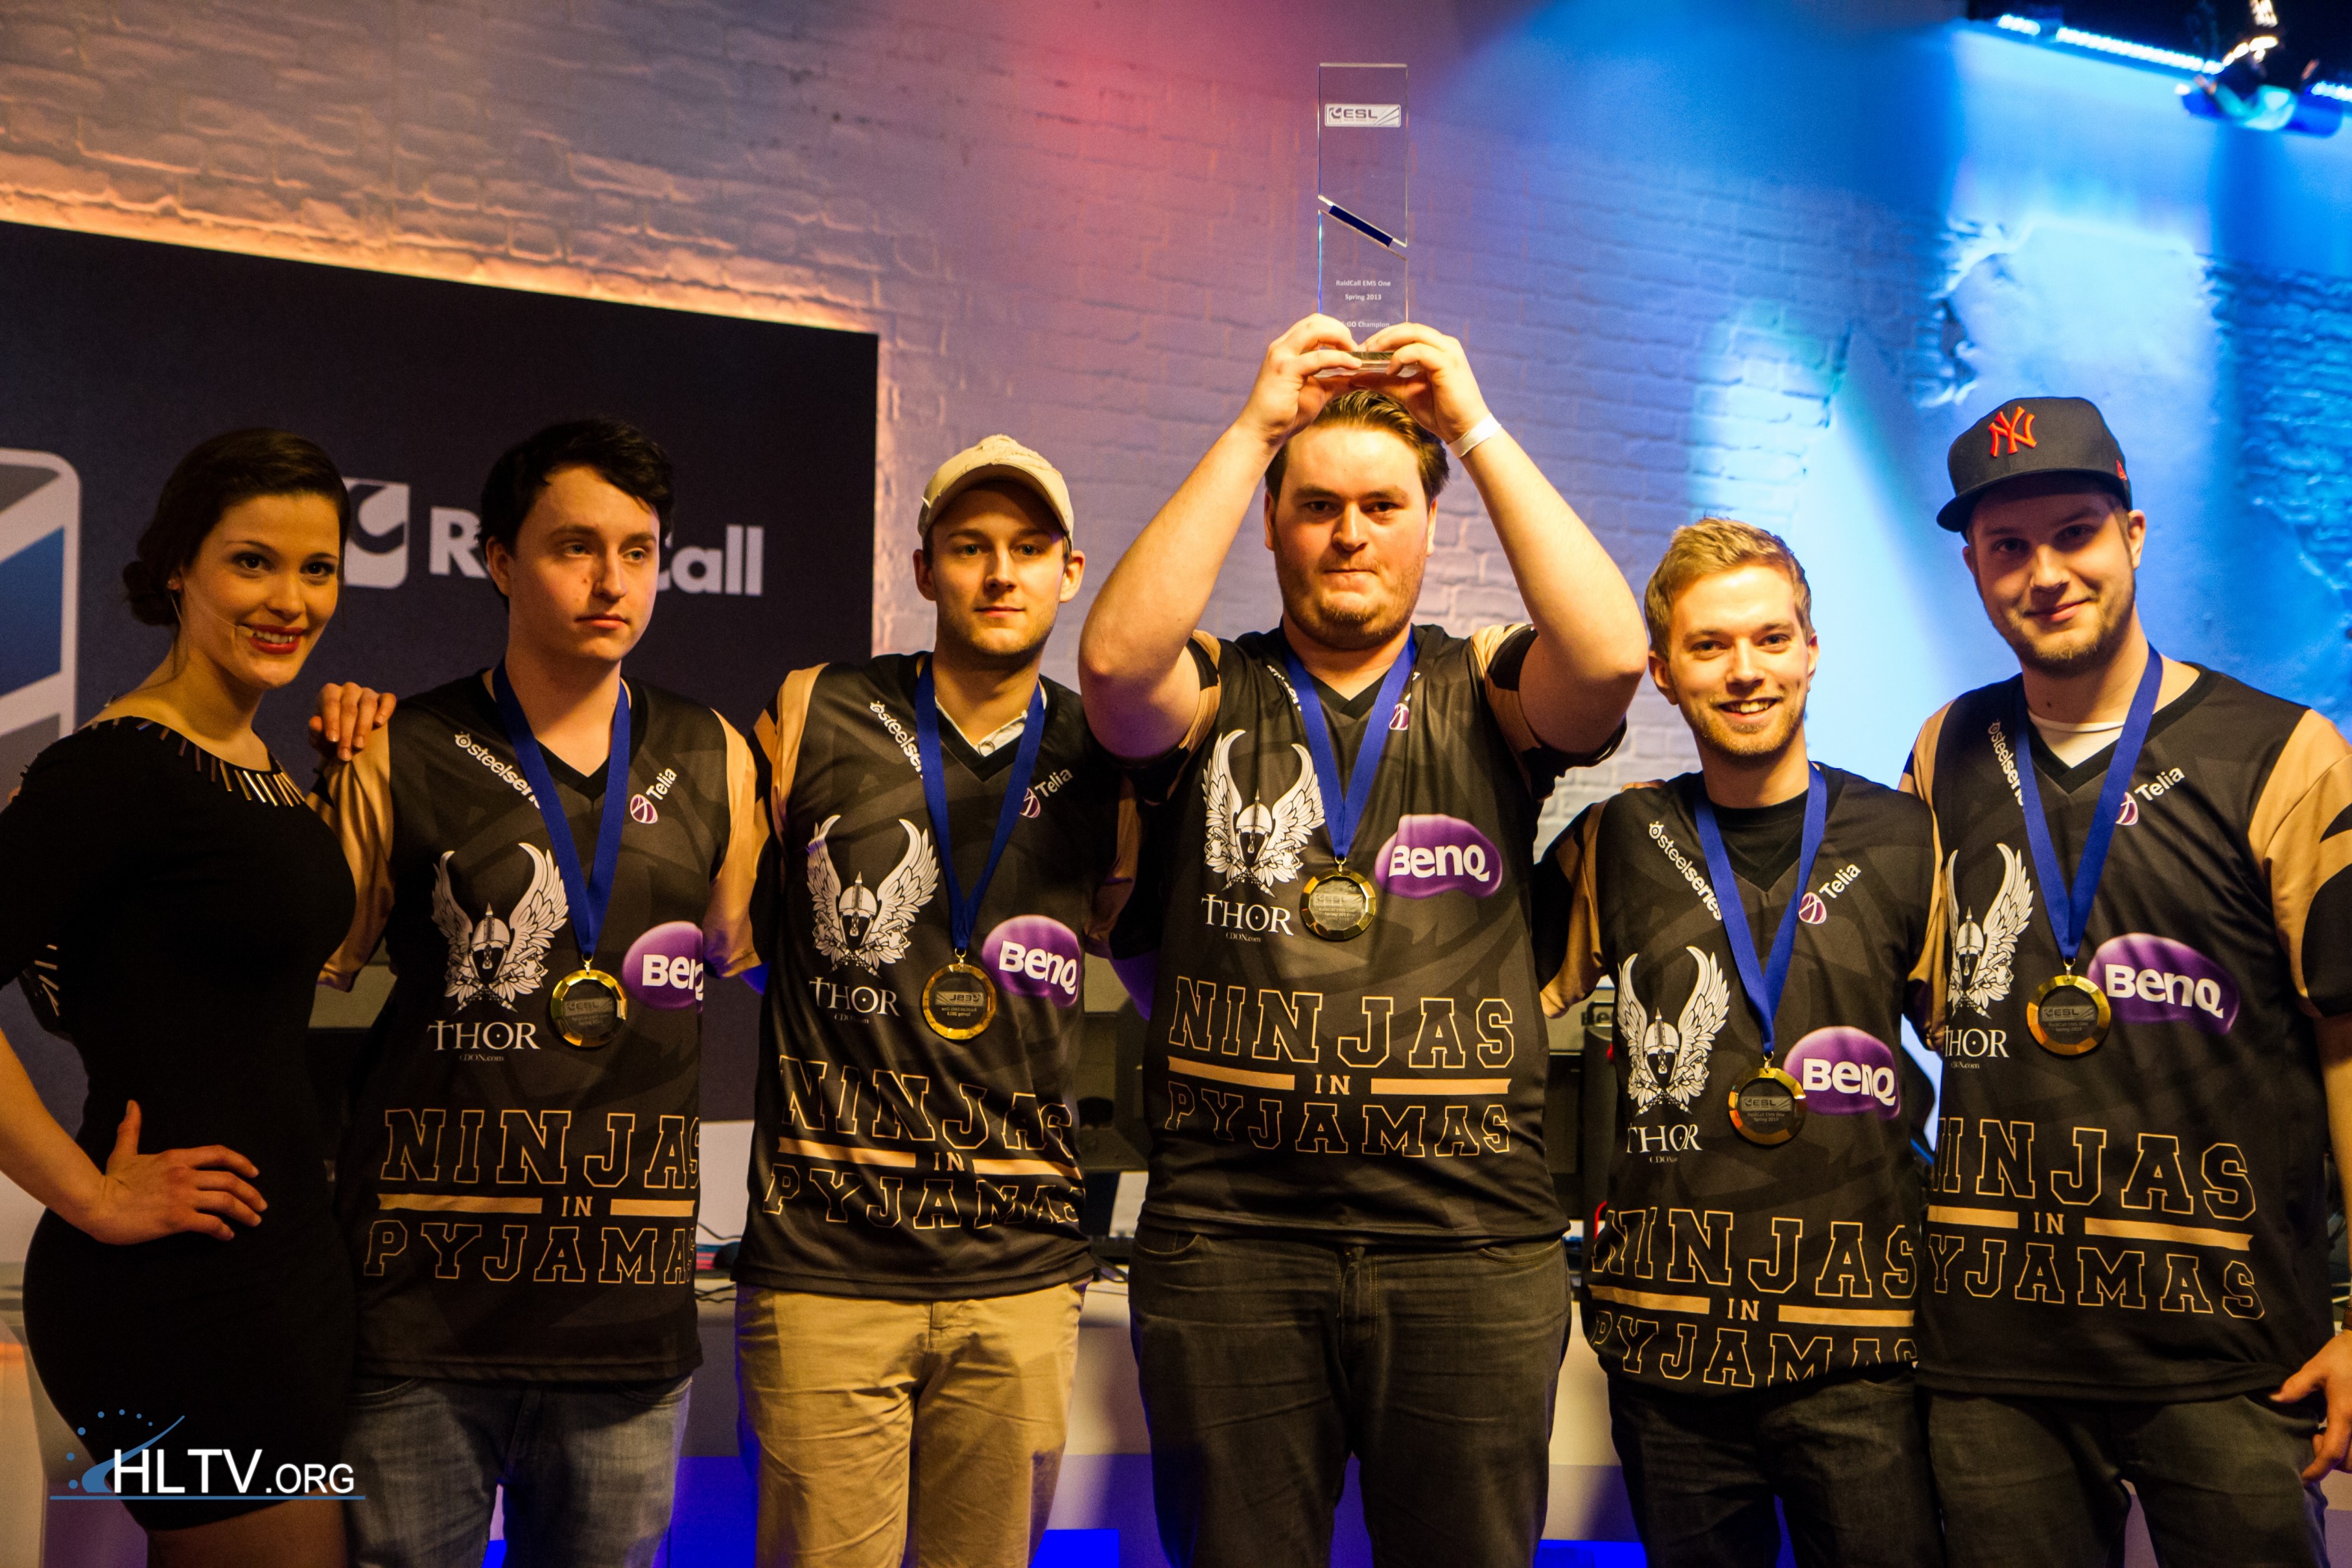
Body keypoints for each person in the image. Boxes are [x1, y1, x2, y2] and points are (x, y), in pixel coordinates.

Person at [1077, 315, 1650, 1566]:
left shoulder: (1484, 686)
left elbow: (1611, 657)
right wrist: (1256, 427)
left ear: (1429, 524)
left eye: (1383, 506)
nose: (1349, 534)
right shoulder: (1214, 687)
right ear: (1272, 523)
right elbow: (1115, 667)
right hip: (1234, 1243)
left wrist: (1473, 426)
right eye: (1317, 506)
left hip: (1466, 1241)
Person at [307, 418, 765, 1568]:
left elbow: (756, 955)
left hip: (625, 1325)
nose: (612, 581)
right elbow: (292, 979)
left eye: (638, 551)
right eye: (575, 547)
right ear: (500, 561)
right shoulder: (398, 746)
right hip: (419, 1314)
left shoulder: (714, 752)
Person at [1903, 396, 2352, 1567]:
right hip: (1994, 1359)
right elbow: (1928, 997)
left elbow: (2351, 1041)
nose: (2046, 574)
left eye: (2076, 533)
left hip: (2232, 1354)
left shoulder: (2285, 753)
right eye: (2009, 547)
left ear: (2134, 536)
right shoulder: (1944, 749)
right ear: (1974, 568)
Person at [730, 435, 1129, 1568]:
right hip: (825, 1268)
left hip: (1019, 1276)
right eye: (969, 547)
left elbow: (1130, 937)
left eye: (1029, 548)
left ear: (1071, 571)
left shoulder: (1104, 751)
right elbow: (743, 940)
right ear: (923, 570)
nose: (1000, 573)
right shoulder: (818, 707)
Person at [1534, 519, 1944, 1567]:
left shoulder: (1909, 838)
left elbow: (1989, 1055)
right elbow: (1480, 1011)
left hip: (1866, 1355)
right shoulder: (1619, 840)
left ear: (1811, 651)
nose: (1746, 670)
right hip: (1669, 1356)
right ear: (1664, 673)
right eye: (1710, 646)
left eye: (1770, 638)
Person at [0, 430, 358, 1565]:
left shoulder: (260, 763)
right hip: (175, 1289)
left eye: (317, 568)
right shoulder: (116, 768)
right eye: (253, 562)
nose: (291, 600)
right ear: (176, 572)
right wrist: (94, 1198)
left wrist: (350, 763)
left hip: (282, 1269)